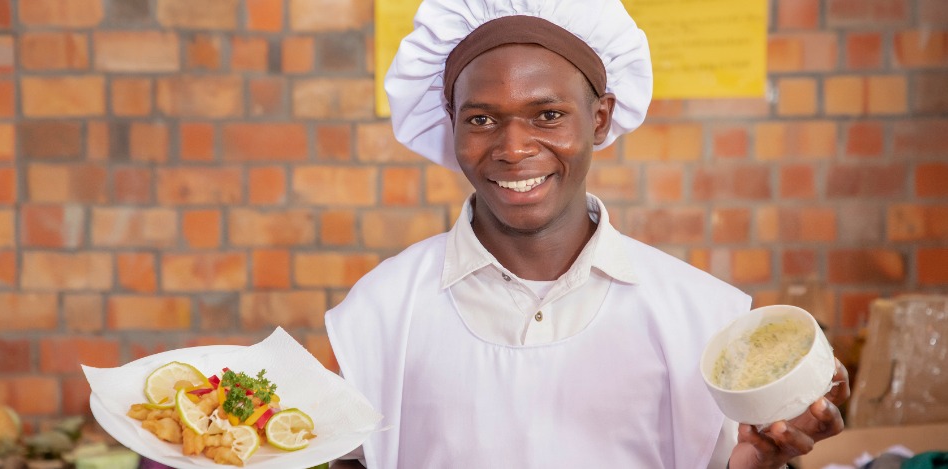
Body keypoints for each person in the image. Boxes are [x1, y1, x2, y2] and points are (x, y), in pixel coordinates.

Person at [327, 0, 850, 467]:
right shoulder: (381, 311)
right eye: (483, 119)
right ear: (453, 123)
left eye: (548, 115)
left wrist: (757, 461)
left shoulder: (701, 316)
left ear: (600, 120)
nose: (513, 147)